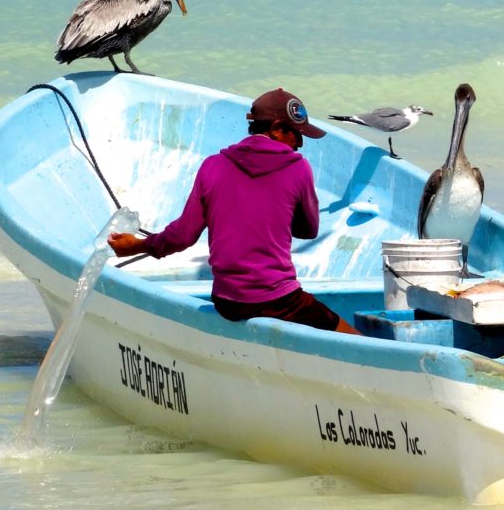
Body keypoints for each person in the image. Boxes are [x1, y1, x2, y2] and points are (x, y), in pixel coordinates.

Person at [108, 88, 361, 335]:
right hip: (280, 301)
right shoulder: (298, 168)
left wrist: (137, 245)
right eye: (296, 134)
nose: (300, 143)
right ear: (276, 129)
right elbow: (308, 230)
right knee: (353, 337)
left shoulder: (212, 165)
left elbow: (182, 236)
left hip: (227, 302)